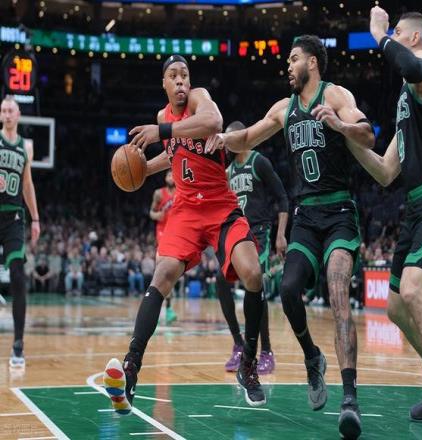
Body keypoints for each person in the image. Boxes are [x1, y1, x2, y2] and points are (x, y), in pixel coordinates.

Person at [205, 35, 374, 438]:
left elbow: (368, 134)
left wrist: (340, 125)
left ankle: (350, 398)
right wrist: (224, 139)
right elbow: (249, 137)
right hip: (306, 215)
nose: (288, 65)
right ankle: (312, 357)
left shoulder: (335, 95)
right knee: (288, 290)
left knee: (338, 291)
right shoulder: (284, 108)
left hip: (339, 211)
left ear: (312, 63)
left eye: (294, 58)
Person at [104, 55, 267, 414]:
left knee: (254, 274)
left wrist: (161, 131)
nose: (180, 81)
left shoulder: (198, 99)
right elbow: (173, 154)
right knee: (162, 274)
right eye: (173, 76)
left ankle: (249, 363)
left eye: (184, 75)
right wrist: (140, 170)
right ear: (164, 84)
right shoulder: (164, 116)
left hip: (219, 204)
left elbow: (213, 121)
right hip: (186, 209)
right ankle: (131, 370)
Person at [344, 8, 422, 439]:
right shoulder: (406, 103)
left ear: (413, 38)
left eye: (398, 33)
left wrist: (379, 33)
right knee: (396, 307)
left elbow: (411, 65)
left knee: (415, 290)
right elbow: (384, 171)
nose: (391, 38)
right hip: (416, 204)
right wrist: (345, 134)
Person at [220, 120, 289, 375]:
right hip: (237, 234)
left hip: (259, 232)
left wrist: (281, 235)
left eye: (230, 139)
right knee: (220, 281)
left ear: (242, 137)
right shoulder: (227, 172)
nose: (227, 145)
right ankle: (238, 344)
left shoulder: (259, 162)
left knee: (255, 285)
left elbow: (282, 198)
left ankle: (266, 351)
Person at [0, 95, 40, 368]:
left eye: (10, 110)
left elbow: (27, 184)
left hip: (14, 216)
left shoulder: (26, 146)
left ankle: (18, 344)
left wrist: (35, 218)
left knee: (17, 276)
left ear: (18, 114)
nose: (7, 114)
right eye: (3, 110)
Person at [149, 169, 177, 322]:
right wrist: (157, 215)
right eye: (168, 175)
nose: (171, 177)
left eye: (173, 174)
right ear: (165, 178)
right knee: (163, 267)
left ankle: (168, 308)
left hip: (176, 232)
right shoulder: (159, 194)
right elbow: (151, 212)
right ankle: (165, 308)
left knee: (171, 272)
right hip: (162, 232)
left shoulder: (182, 192)